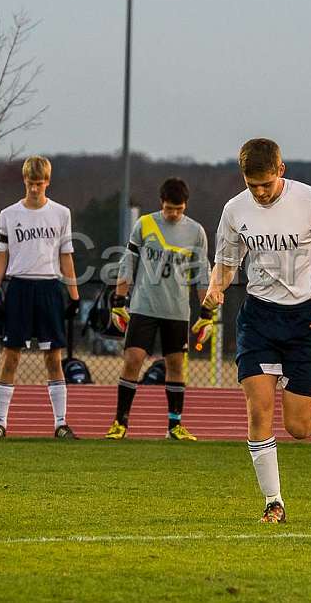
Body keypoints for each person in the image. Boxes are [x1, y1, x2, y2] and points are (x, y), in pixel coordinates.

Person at [201, 138, 311, 524]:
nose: (259, 192)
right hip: (257, 319)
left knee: (299, 427)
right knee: (259, 412)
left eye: (266, 184)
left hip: (305, 321)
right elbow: (225, 262)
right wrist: (215, 286)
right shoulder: (234, 209)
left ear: (281, 170)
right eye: (251, 184)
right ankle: (274, 502)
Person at [105, 177, 210, 441]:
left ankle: (174, 426)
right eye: (169, 209)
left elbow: (201, 276)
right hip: (143, 307)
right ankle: (120, 422)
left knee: (176, 366)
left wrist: (207, 314)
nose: (174, 214)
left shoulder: (196, 232)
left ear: (185, 205)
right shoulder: (145, 224)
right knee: (133, 360)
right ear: (161, 203)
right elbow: (127, 264)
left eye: (179, 209)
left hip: (177, 311)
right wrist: (118, 302)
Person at [0, 156, 80, 439]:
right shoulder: (9, 214)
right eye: (30, 183)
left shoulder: (61, 214)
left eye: (40, 183)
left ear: (47, 182)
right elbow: (1, 256)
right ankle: (0, 422)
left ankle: (61, 423)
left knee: (53, 358)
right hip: (19, 288)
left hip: (49, 288)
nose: (35, 189)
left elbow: (66, 256)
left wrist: (74, 295)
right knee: (11, 357)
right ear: (24, 181)